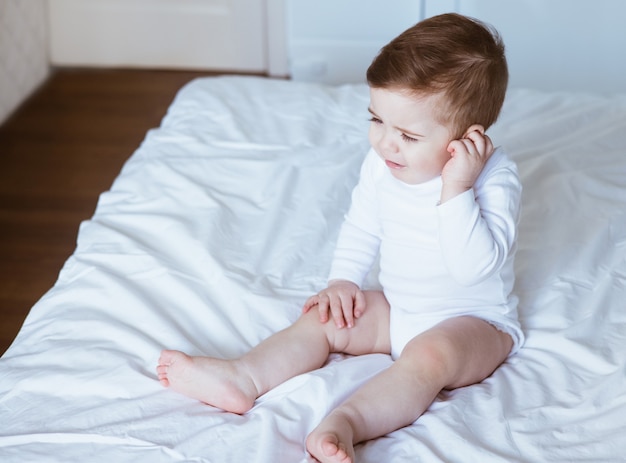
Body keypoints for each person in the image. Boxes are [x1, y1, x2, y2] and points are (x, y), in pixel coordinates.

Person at [157, 12, 524, 463]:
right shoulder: (385, 164)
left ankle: (346, 422)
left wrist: (457, 188)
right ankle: (243, 378)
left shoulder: (494, 177)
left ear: (468, 139)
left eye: (408, 135)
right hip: (399, 307)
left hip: (475, 323)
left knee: (430, 356)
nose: (385, 143)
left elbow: (472, 269)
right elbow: (363, 224)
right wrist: (343, 281)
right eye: (377, 120)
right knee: (326, 319)